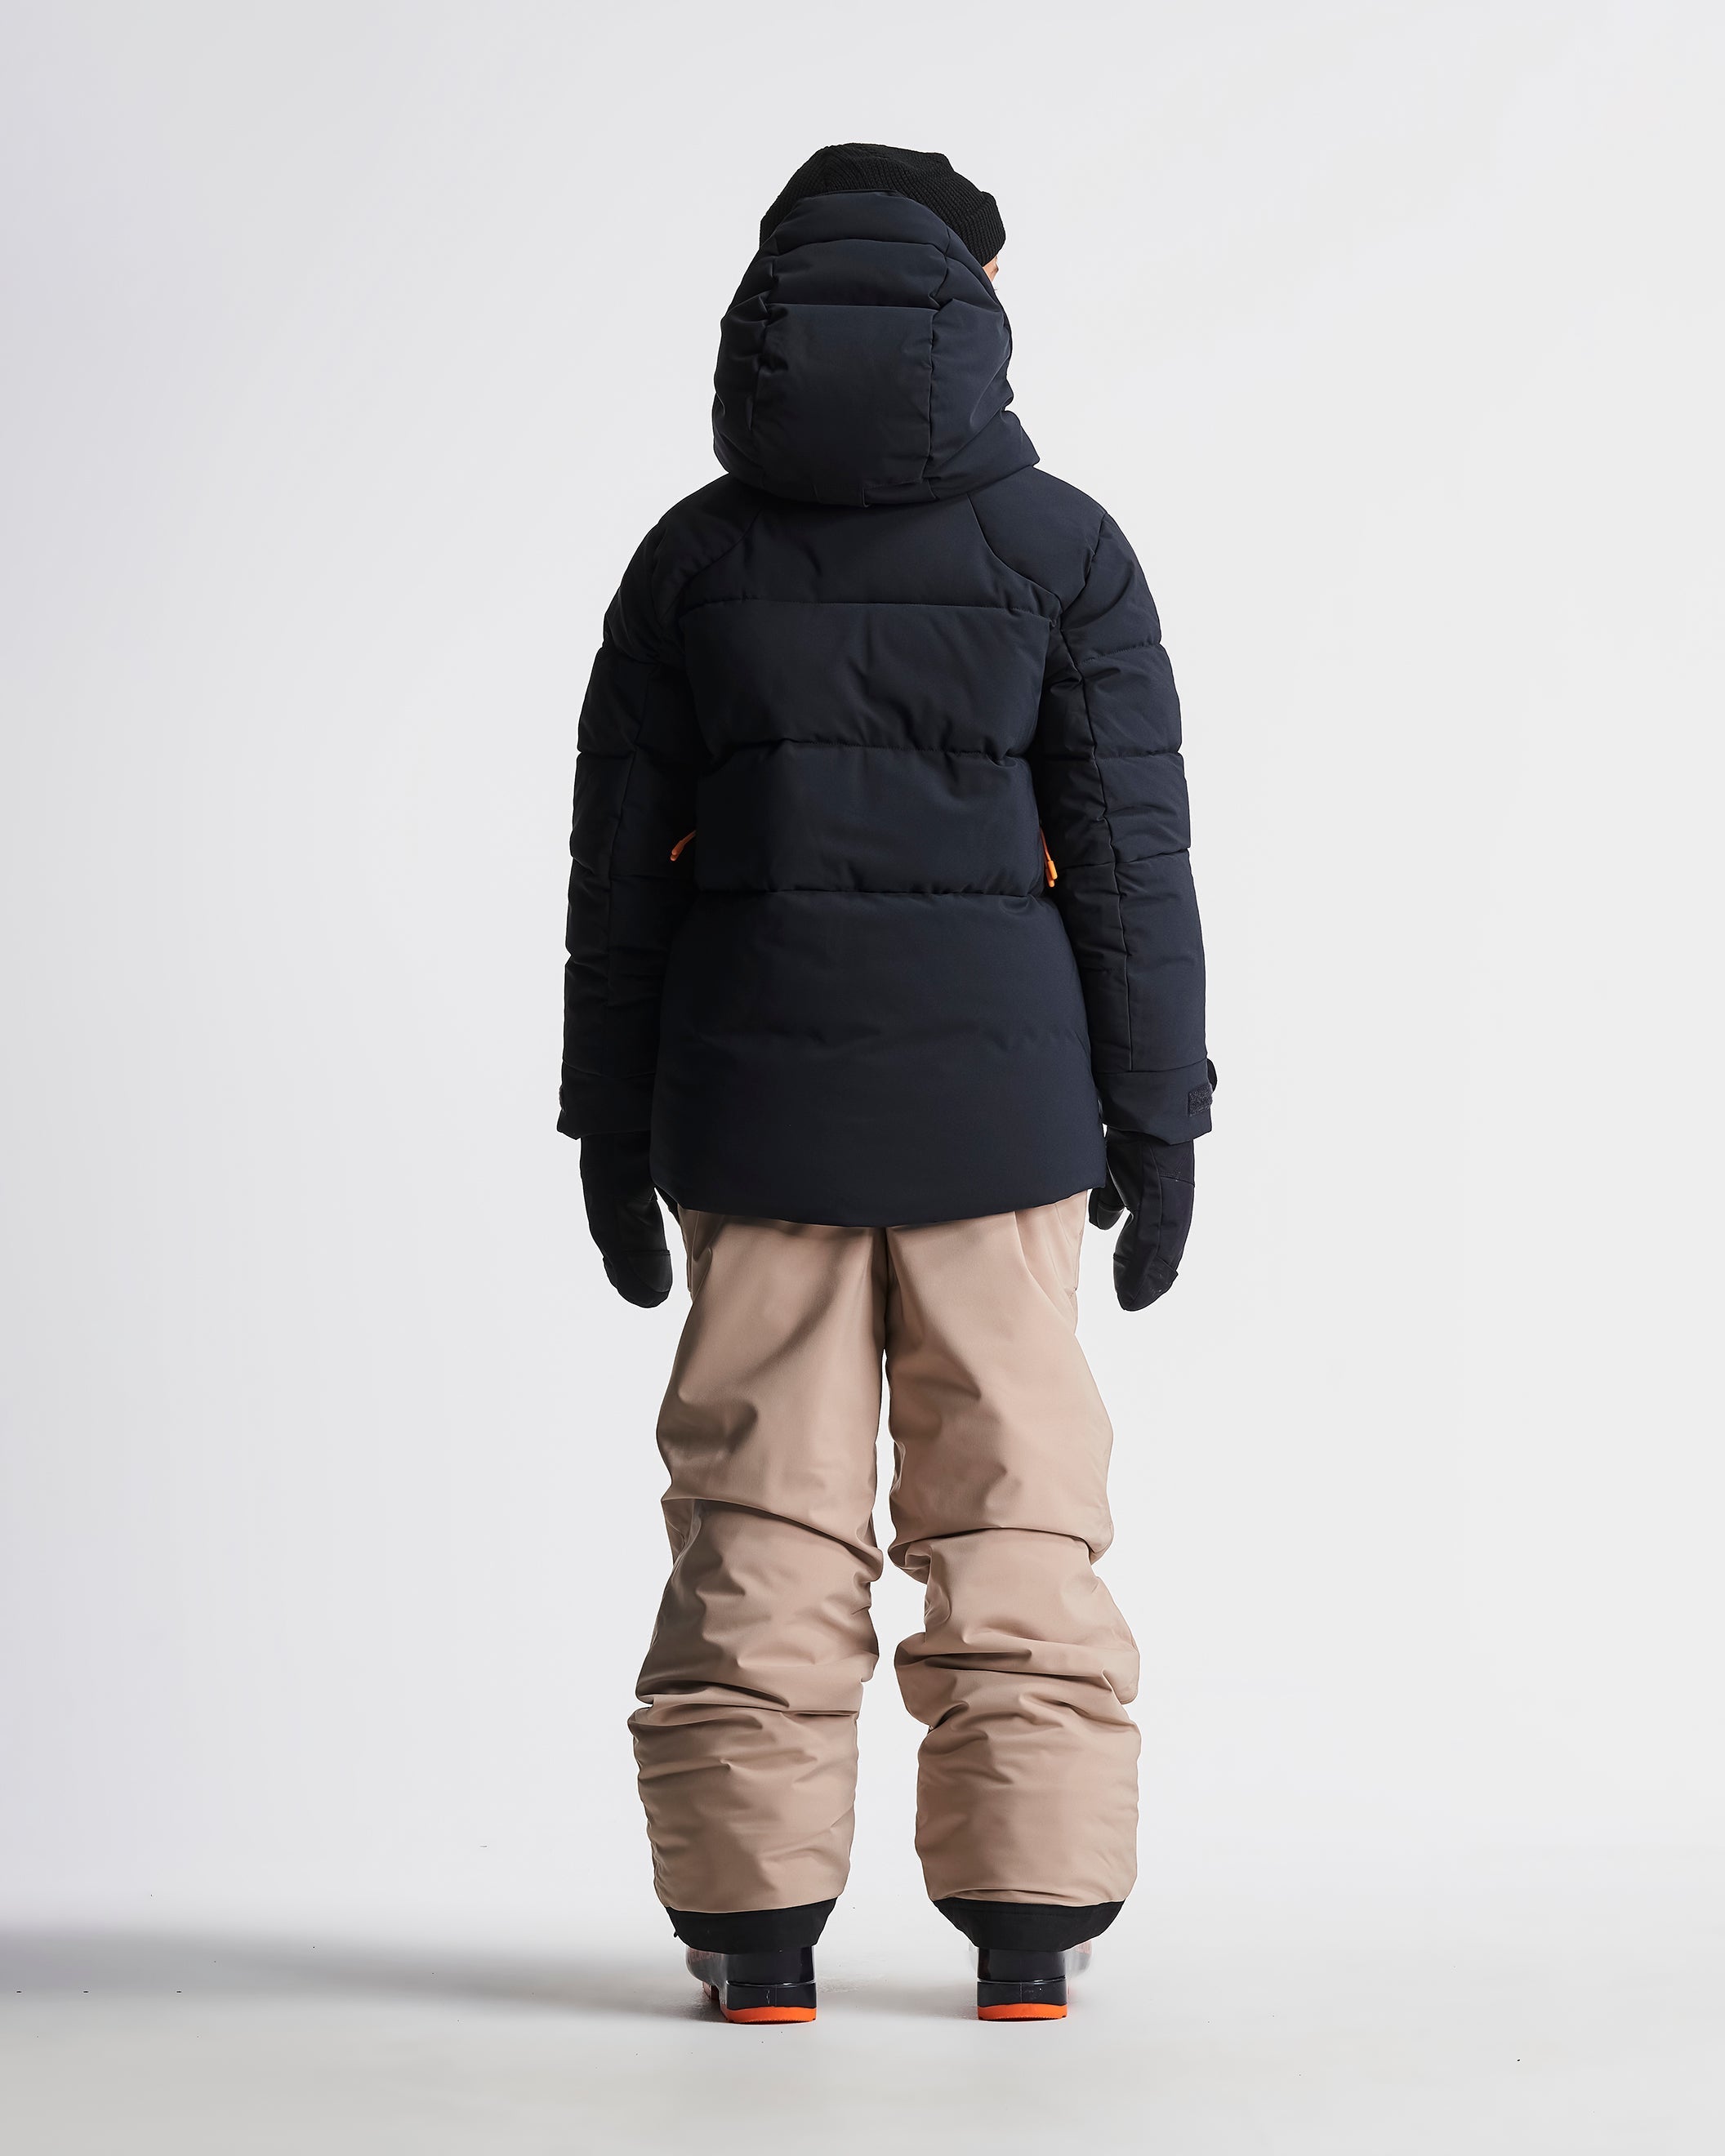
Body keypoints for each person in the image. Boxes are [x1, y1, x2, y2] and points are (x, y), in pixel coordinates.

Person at [560, 143, 1212, 2024]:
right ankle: (1030, 1935)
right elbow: (1132, 866)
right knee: (1013, 1508)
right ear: (975, 293)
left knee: (762, 1514)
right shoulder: (1062, 550)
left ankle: (756, 1943)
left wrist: (610, 1118)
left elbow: (619, 881)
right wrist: (1159, 1115)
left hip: (749, 1109)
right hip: (1003, 1118)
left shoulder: (690, 562)